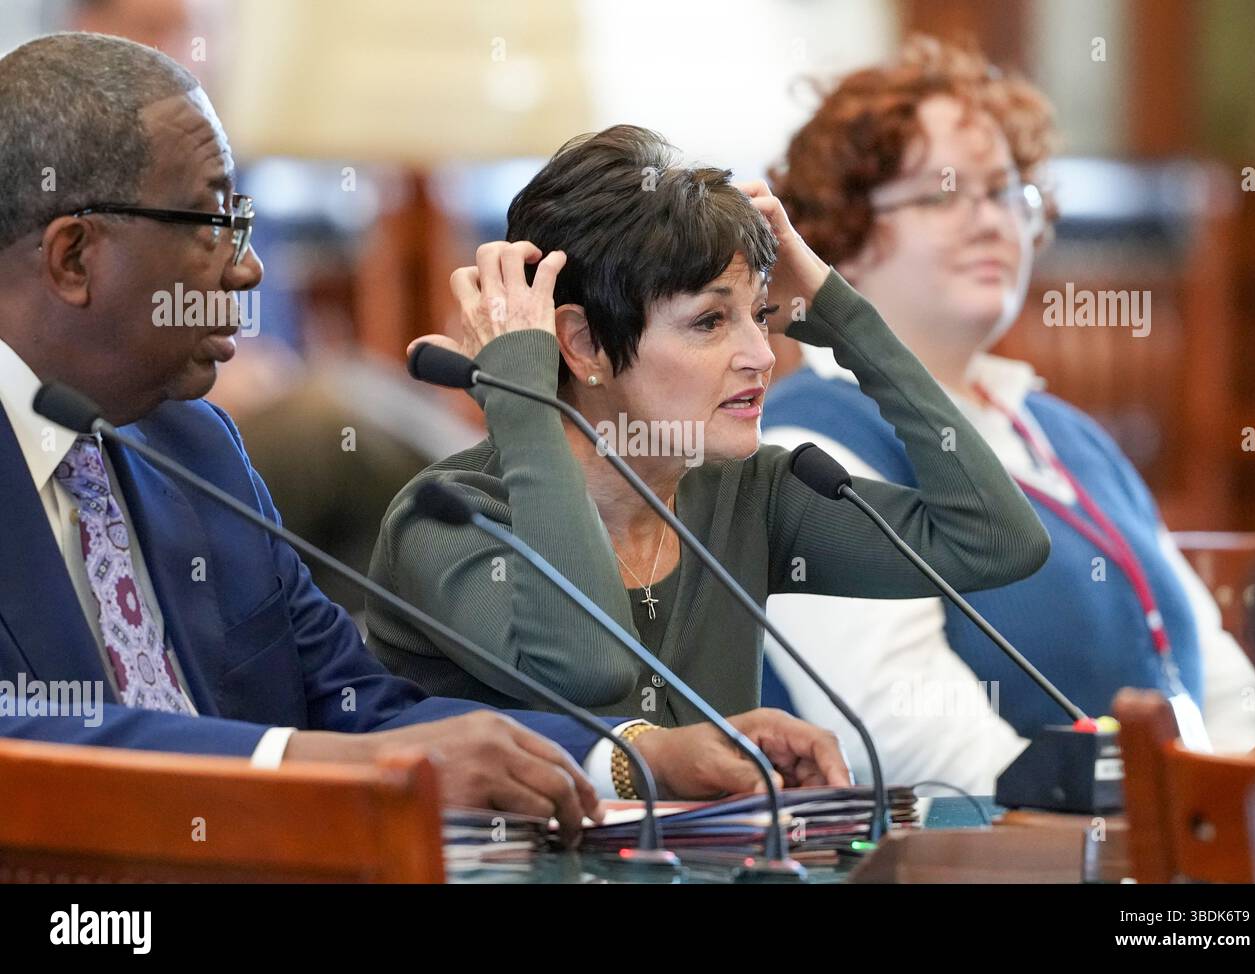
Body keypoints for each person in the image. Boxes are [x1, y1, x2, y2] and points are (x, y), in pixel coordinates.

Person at [0, 33, 851, 840]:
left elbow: (355, 704)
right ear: (75, 256)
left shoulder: (195, 448)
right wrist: (326, 761)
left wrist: (633, 757)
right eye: (215, 221)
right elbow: (20, 743)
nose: (247, 266)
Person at [367, 124, 1051, 727]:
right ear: (581, 345)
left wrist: (838, 309)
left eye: (761, 312)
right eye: (709, 321)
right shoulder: (448, 520)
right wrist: (523, 400)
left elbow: (994, 543)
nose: (760, 355)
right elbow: (589, 666)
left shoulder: (747, 491)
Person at [759, 36, 1255, 792]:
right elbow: (916, 745)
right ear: (838, 236)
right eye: (942, 193)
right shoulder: (808, 441)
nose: (989, 220)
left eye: (1006, 191)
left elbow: (1209, 660)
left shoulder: (1064, 431)